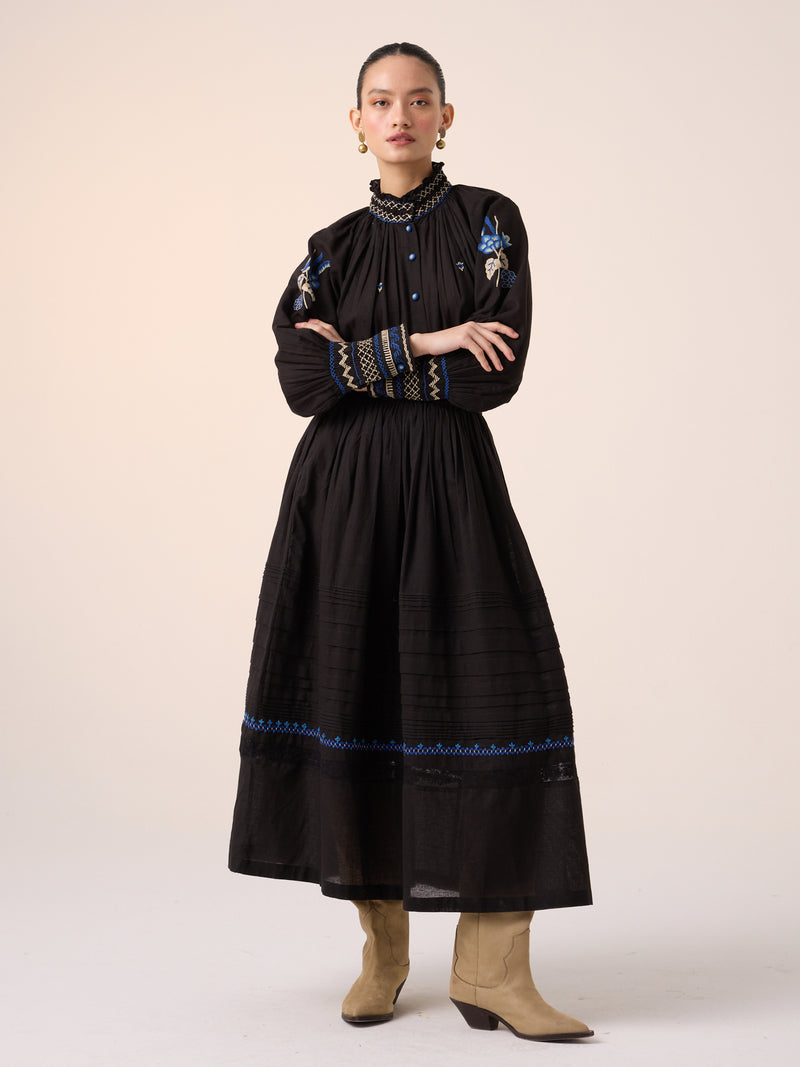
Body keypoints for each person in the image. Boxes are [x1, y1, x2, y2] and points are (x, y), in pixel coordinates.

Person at [228, 42, 594, 1042]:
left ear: (444, 116)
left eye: (418, 100)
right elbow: (299, 384)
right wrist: (427, 340)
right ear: (356, 122)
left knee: (495, 698)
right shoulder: (330, 247)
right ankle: (382, 952)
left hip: (449, 485)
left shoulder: (487, 220)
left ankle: (493, 972)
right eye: (380, 101)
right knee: (360, 698)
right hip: (341, 495)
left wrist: (356, 359)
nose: (400, 115)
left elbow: (493, 374)